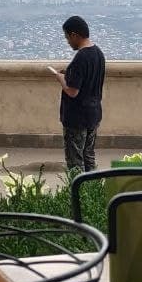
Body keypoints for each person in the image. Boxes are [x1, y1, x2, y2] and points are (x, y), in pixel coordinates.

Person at [53, 15, 106, 174]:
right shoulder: (98, 53)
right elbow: (88, 80)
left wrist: (61, 78)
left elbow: (72, 91)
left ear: (74, 35)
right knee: (89, 157)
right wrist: (69, 74)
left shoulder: (81, 58)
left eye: (67, 37)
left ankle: (78, 188)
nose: (68, 42)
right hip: (93, 115)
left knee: (75, 161)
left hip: (77, 118)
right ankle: (93, 187)